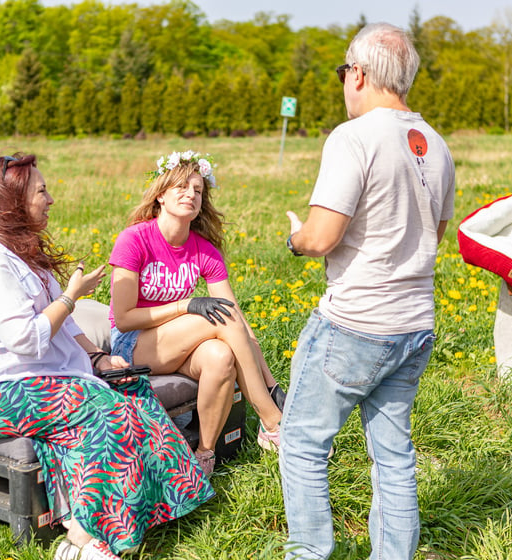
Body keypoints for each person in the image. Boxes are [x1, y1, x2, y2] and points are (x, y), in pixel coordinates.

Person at [0, 154, 214, 560]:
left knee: (131, 388)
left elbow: (64, 325)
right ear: (13, 202)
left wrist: (98, 357)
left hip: (35, 379)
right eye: (41, 191)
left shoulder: (24, 253)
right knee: (101, 410)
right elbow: (27, 340)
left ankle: (155, 506)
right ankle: (88, 540)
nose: (50, 199)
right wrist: (72, 295)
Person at [279, 23, 455, 560]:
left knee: (303, 445)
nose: (343, 83)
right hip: (414, 322)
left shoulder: (353, 138)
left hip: (356, 321)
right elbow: (434, 234)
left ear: (358, 73)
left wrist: (295, 238)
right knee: (393, 453)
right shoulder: (437, 145)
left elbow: (323, 236)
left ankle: (308, 552)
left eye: (342, 73)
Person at [108, 150, 286, 476]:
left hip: (181, 343)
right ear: (160, 194)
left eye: (198, 190)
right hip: (133, 344)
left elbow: (237, 319)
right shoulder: (134, 240)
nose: (191, 194)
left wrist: (269, 377)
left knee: (220, 355)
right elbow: (123, 318)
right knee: (220, 316)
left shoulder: (204, 249)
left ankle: (204, 455)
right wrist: (186, 306)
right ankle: (272, 422)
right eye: (181, 187)